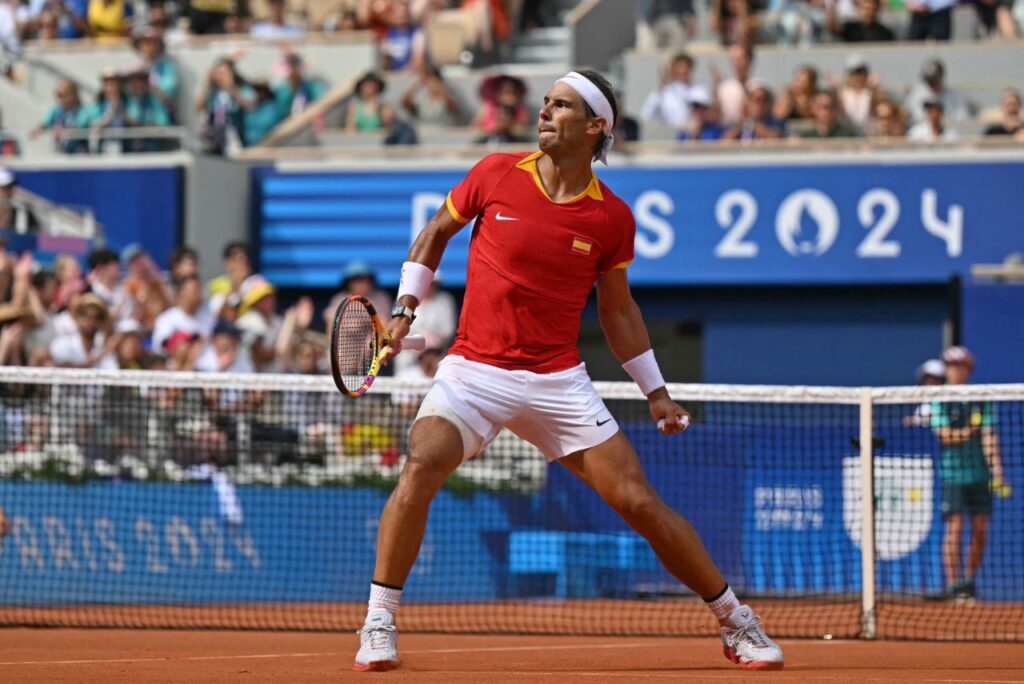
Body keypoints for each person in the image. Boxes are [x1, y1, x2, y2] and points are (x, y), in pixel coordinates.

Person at [352, 69, 784, 673]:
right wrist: (404, 310)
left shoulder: (611, 218)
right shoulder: (496, 173)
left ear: (597, 126)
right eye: (546, 102)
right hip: (474, 371)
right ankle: (379, 619)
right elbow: (434, 234)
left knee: (639, 503)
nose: (545, 113)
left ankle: (737, 621)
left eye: (562, 106)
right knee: (422, 462)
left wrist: (656, 392)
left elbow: (618, 311)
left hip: (557, 381)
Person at [930, 346, 1008, 601]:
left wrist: (996, 471)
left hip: (980, 477)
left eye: (960, 364)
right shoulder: (940, 398)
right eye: (951, 364)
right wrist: (968, 432)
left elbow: (988, 435)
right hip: (953, 475)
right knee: (954, 527)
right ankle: (954, 587)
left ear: (968, 368)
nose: (955, 369)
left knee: (981, 530)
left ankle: (968, 582)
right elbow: (944, 436)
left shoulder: (980, 397)